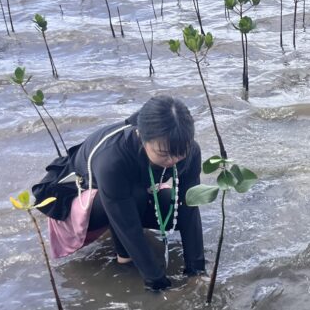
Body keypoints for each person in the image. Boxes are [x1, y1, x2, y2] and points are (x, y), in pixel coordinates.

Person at [35, 95, 205, 290]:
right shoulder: (112, 159)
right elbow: (128, 225)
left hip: (129, 190)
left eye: (180, 152)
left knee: (170, 203)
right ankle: (124, 258)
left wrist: (196, 271)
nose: (173, 160)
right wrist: (158, 284)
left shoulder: (190, 152)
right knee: (135, 197)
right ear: (142, 136)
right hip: (77, 196)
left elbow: (189, 207)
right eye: (164, 154)